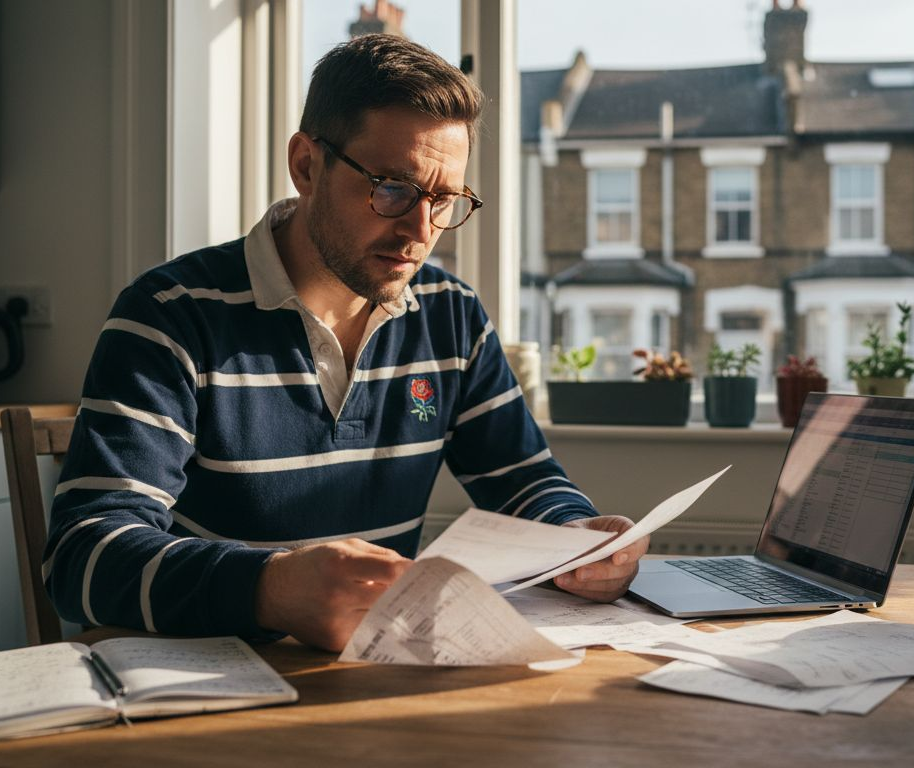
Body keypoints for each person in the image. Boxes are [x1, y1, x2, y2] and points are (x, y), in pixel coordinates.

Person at [43, 34, 647, 652]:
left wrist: (579, 537)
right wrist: (268, 590)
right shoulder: (171, 316)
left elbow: (524, 480)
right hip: (211, 692)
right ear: (306, 165)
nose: (420, 231)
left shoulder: (452, 316)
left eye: (444, 200)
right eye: (393, 188)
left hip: (376, 680)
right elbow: (82, 556)